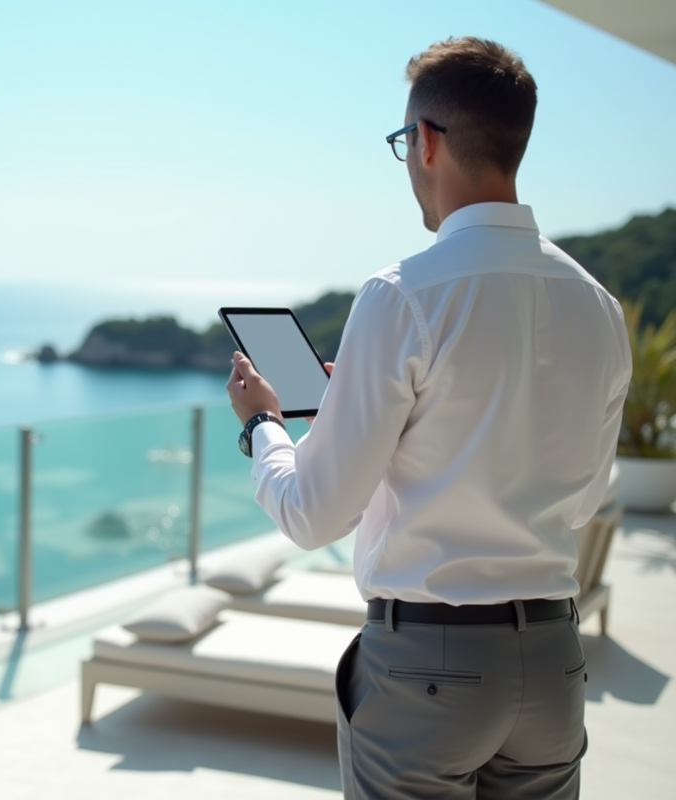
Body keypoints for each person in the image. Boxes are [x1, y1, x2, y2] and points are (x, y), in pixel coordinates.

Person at [226, 37, 630, 800]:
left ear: (427, 141)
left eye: (402, 143)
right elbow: (578, 499)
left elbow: (312, 514)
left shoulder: (403, 294)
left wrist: (265, 426)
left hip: (427, 673)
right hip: (551, 663)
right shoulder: (597, 305)